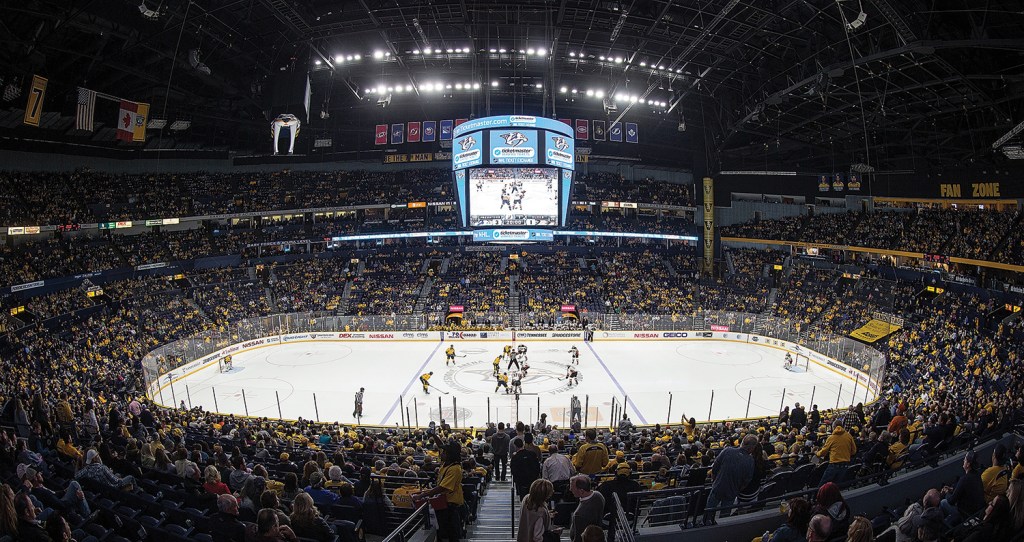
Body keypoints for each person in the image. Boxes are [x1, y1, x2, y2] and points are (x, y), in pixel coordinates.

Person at [412, 440, 464, 541]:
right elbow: (440, 445)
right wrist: (434, 435)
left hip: (450, 508)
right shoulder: (446, 464)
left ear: (450, 455)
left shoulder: (454, 469)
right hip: (444, 505)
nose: (441, 453)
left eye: (444, 452)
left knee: (451, 535)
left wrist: (422, 495)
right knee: (442, 533)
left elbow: (442, 488)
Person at [705, 435, 757, 522]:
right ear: (751, 448)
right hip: (732, 492)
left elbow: (714, 469)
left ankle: (705, 524)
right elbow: (746, 481)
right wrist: (737, 489)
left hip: (718, 487)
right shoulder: (750, 461)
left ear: (742, 443)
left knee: (709, 511)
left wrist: (715, 482)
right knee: (724, 517)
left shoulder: (727, 450)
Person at [940, 451, 985, 527]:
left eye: (965, 459)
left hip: (965, 514)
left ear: (968, 464)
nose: (963, 461)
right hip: (976, 512)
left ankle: (946, 524)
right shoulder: (977, 475)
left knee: (943, 502)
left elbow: (951, 501)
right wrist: (952, 489)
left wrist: (947, 492)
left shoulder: (964, 479)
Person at [817, 421, 857, 486]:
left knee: (822, 486)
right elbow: (854, 451)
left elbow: (823, 452)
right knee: (837, 487)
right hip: (845, 465)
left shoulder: (831, 437)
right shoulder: (849, 436)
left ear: (834, 427)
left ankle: (816, 496)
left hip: (833, 465)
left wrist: (817, 453)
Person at [568, 475, 604, 542]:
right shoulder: (598, 495)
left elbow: (578, 539)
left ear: (581, 491)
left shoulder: (579, 514)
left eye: (572, 488)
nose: (570, 490)